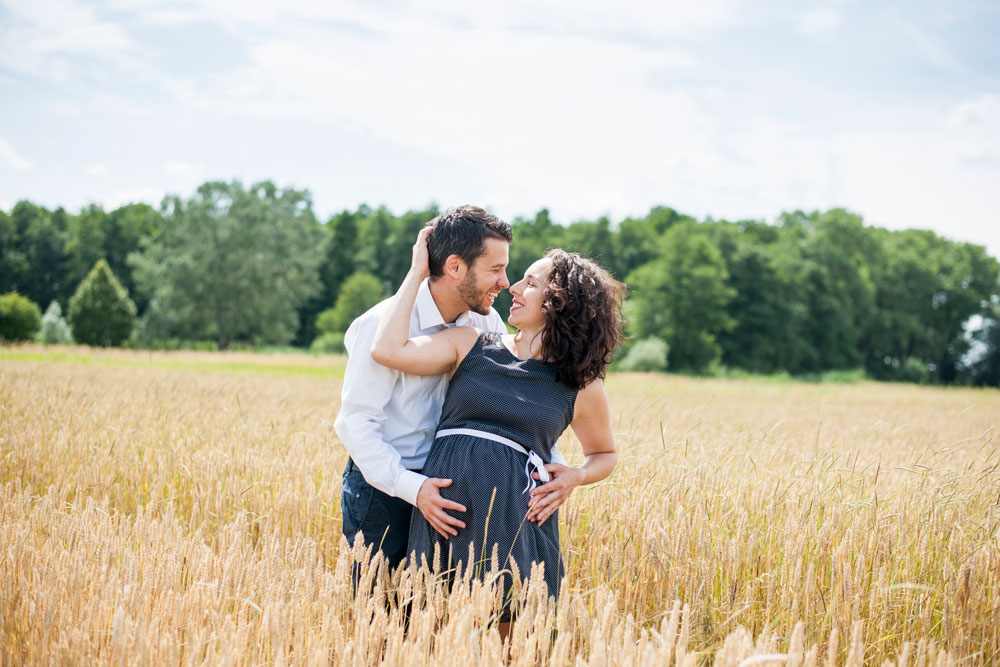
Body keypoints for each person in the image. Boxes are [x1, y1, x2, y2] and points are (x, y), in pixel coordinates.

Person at [371, 225, 625, 623]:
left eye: (531, 282)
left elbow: (604, 454)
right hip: (446, 518)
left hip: (517, 524)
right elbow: (387, 349)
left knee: (510, 643)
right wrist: (418, 271)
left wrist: (575, 476)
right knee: (431, 637)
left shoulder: (580, 384)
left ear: (560, 301)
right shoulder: (468, 343)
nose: (514, 287)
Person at [333, 206, 571, 576]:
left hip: (456, 491)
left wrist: (553, 463)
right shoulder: (381, 324)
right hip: (386, 488)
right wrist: (413, 488)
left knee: (443, 619)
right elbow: (356, 422)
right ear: (456, 267)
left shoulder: (487, 321)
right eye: (495, 269)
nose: (505, 282)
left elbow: (516, 400)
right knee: (382, 617)